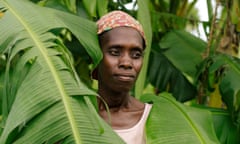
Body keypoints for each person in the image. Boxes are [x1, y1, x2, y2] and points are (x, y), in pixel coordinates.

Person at [94, 10, 152, 144]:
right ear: (95, 56)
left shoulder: (153, 118)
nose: (126, 63)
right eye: (115, 52)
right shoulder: (73, 116)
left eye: (136, 55)